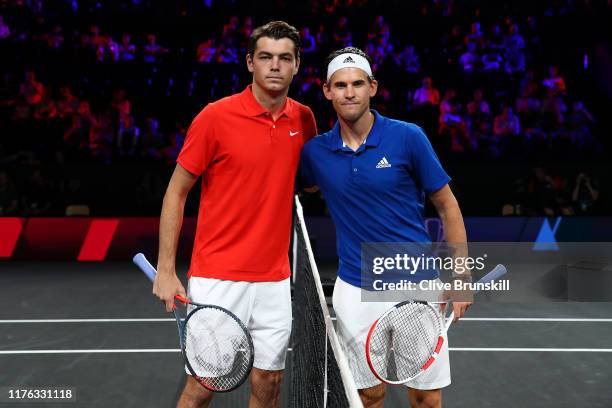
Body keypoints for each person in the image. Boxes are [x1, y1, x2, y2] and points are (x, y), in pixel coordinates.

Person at [154, 21, 317, 408]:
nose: (275, 66)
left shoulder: (304, 120)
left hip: (275, 280)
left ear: (296, 66)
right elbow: (176, 192)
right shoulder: (215, 117)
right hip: (218, 276)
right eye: (265, 57)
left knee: (269, 381)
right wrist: (165, 268)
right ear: (250, 63)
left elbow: (310, 182)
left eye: (284, 58)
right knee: (204, 385)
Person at [300, 47, 470, 408]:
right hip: (355, 289)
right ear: (327, 90)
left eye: (358, 83)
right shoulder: (315, 153)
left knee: (426, 397)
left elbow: (447, 204)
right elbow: (306, 186)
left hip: (417, 285)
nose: (350, 92)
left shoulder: (409, 137)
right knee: (367, 395)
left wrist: (460, 276)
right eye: (340, 84)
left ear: (372, 87)